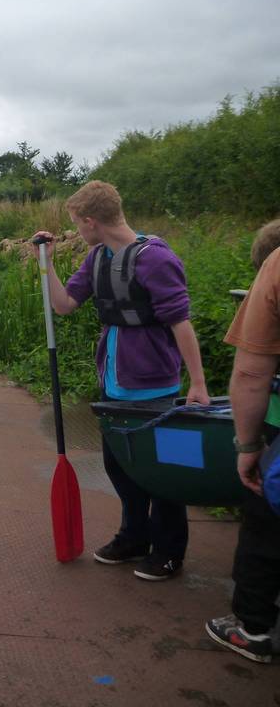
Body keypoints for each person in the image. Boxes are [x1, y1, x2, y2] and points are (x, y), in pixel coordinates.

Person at [31, 180, 209, 581]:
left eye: (77, 223)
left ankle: (167, 552)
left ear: (92, 221)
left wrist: (197, 383)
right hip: (113, 379)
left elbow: (180, 322)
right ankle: (134, 537)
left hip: (155, 383)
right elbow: (63, 306)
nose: (77, 230)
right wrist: (47, 263)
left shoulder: (156, 259)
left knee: (161, 472)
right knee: (120, 467)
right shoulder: (97, 259)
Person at [205, 218, 280, 663]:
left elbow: (252, 374)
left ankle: (251, 629)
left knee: (266, 523)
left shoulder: (275, 268)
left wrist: (248, 448)